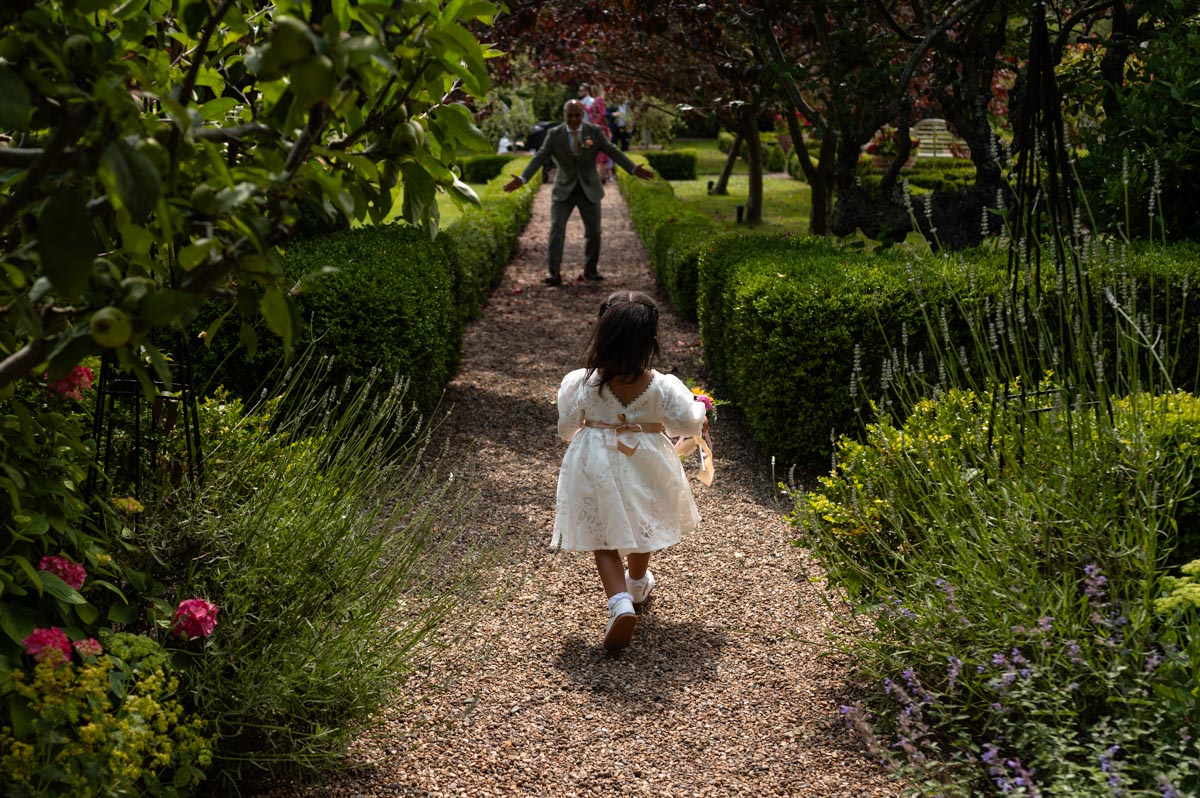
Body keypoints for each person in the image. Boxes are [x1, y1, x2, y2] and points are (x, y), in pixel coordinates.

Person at [553, 291, 710, 650]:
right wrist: (702, 407)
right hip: (646, 459)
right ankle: (637, 582)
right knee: (643, 520)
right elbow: (687, 420)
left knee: (602, 536)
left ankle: (620, 602)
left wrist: (580, 439)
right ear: (651, 341)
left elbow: (566, 426)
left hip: (594, 460)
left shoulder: (580, 382)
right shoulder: (663, 385)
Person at [503, 100, 654, 285]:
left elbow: (612, 151)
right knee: (556, 229)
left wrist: (632, 169)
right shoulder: (554, 135)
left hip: (589, 189)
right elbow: (539, 157)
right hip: (563, 190)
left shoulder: (594, 132)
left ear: (583, 115)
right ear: (564, 115)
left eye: (577, 115)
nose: (574, 119)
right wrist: (523, 178)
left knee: (594, 233)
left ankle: (591, 270)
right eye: (570, 116)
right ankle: (554, 273)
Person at [587, 84, 613, 183]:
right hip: (599, 128)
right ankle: (602, 176)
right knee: (601, 152)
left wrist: (594, 123)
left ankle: (601, 176)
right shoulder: (598, 100)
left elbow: (600, 114)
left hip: (598, 128)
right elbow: (599, 113)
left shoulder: (597, 101)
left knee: (599, 152)